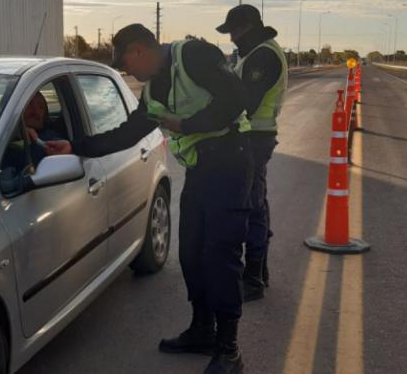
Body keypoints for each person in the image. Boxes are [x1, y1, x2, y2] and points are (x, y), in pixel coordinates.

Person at [45, 24, 254, 374]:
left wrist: (184, 125)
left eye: (126, 62)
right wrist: (76, 147)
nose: (127, 71)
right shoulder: (153, 87)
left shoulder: (194, 55)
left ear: (140, 50)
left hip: (232, 163)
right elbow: (129, 132)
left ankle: (229, 350)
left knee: (221, 255)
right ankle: (202, 329)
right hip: (202, 171)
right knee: (191, 251)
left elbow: (237, 100)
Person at [215, 5, 287, 302]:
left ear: (248, 27)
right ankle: (260, 271)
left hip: (255, 138)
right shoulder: (251, 52)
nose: (231, 37)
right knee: (255, 202)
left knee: (253, 206)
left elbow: (245, 102)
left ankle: (254, 277)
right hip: (252, 137)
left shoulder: (263, 55)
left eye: (234, 31)